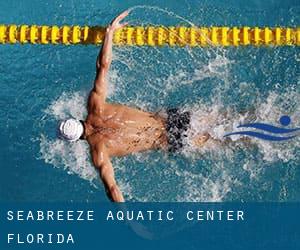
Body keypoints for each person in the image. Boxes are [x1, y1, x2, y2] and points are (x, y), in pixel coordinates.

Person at [58, 11, 210, 202]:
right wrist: (109, 33)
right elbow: (103, 66)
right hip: (172, 118)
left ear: (76, 140)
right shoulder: (95, 105)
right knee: (226, 118)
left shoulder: (99, 152)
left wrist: (129, 221)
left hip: (171, 140)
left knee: (228, 141)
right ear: (76, 119)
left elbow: (112, 189)